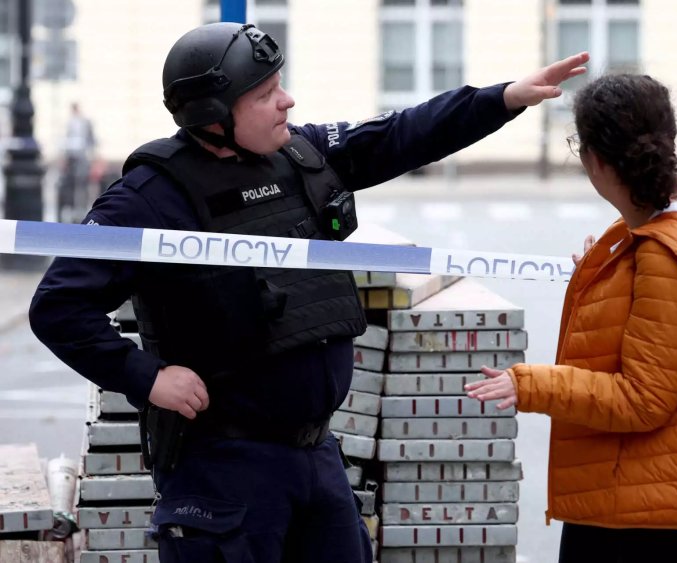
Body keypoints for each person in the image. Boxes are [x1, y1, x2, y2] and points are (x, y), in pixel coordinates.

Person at [29, 22, 588, 563]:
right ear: (213, 115)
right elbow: (58, 306)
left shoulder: (300, 157)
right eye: (267, 93)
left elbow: (400, 135)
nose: (287, 102)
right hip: (224, 473)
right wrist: (147, 378)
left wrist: (503, 99)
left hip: (316, 460)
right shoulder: (150, 199)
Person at [465, 74, 677, 563]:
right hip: (655, 497)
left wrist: (528, 385)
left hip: (653, 513)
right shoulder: (670, 229)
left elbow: (644, 400)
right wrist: (606, 278)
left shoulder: (666, 253)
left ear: (595, 160)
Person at [58, 102, 96, 222]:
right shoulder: (70, 123)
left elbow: (91, 139)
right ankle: (72, 207)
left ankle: (81, 208)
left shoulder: (85, 122)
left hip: (82, 156)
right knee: (70, 184)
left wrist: (92, 155)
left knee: (82, 182)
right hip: (71, 156)